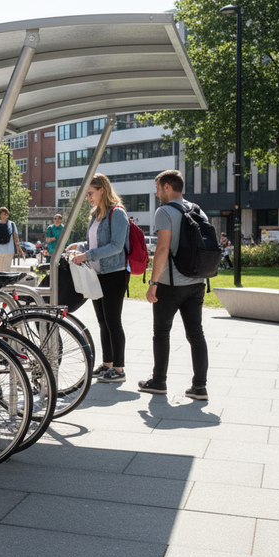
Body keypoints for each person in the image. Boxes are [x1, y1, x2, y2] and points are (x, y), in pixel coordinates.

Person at [138, 170, 209, 401]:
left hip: (171, 283)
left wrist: (153, 282)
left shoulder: (165, 211)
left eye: (158, 188)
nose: (156, 192)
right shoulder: (198, 209)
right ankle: (199, 387)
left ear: (167, 187)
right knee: (196, 334)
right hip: (197, 281)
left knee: (161, 333)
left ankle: (159, 382)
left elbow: (162, 249)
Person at [68, 174, 130, 383]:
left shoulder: (117, 213)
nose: (89, 198)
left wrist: (87, 255)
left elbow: (116, 246)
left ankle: (119, 369)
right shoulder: (96, 215)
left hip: (114, 273)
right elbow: (93, 244)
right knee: (103, 321)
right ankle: (107, 364)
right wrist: (80, 247)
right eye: (87, 194)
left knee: (113, 320)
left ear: (102, 189)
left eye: (91, 193)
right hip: (97, 274)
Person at [0, 207, 22, 272]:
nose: (4, 216)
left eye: (5, 214)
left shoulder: (12, 224)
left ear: (8, 215)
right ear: (0, 215)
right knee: (0, 271)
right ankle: (2, 282)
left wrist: (19, 248)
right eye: (3, 214)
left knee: (6, 270)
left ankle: (5, 282)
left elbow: (16, 238)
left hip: (8, 251)